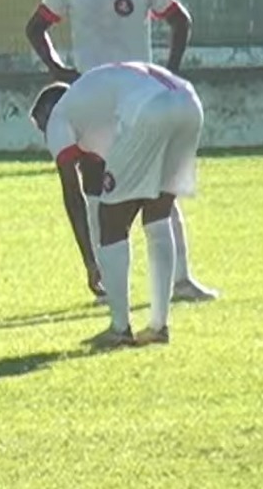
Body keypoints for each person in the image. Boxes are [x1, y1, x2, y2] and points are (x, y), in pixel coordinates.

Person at [25, 0, 217, 303]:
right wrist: (59, 70)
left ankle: (181, 279)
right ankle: (105, 280)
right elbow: (36, 26)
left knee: (160, 186)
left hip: (140, 101)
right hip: (94, 103)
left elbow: (179, 19)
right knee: (96, 184)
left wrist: (170, 72)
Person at [30, 62, 203, 347]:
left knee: (111, 222)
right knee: (158, 216)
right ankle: (159, 326)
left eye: (41, 128)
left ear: (47, 114)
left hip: (149, 108)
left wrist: (90, 260)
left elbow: (73, 195)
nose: (45, 137)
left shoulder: (60, 115)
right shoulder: (94, 102)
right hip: (189, 102)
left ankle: (119, 328)